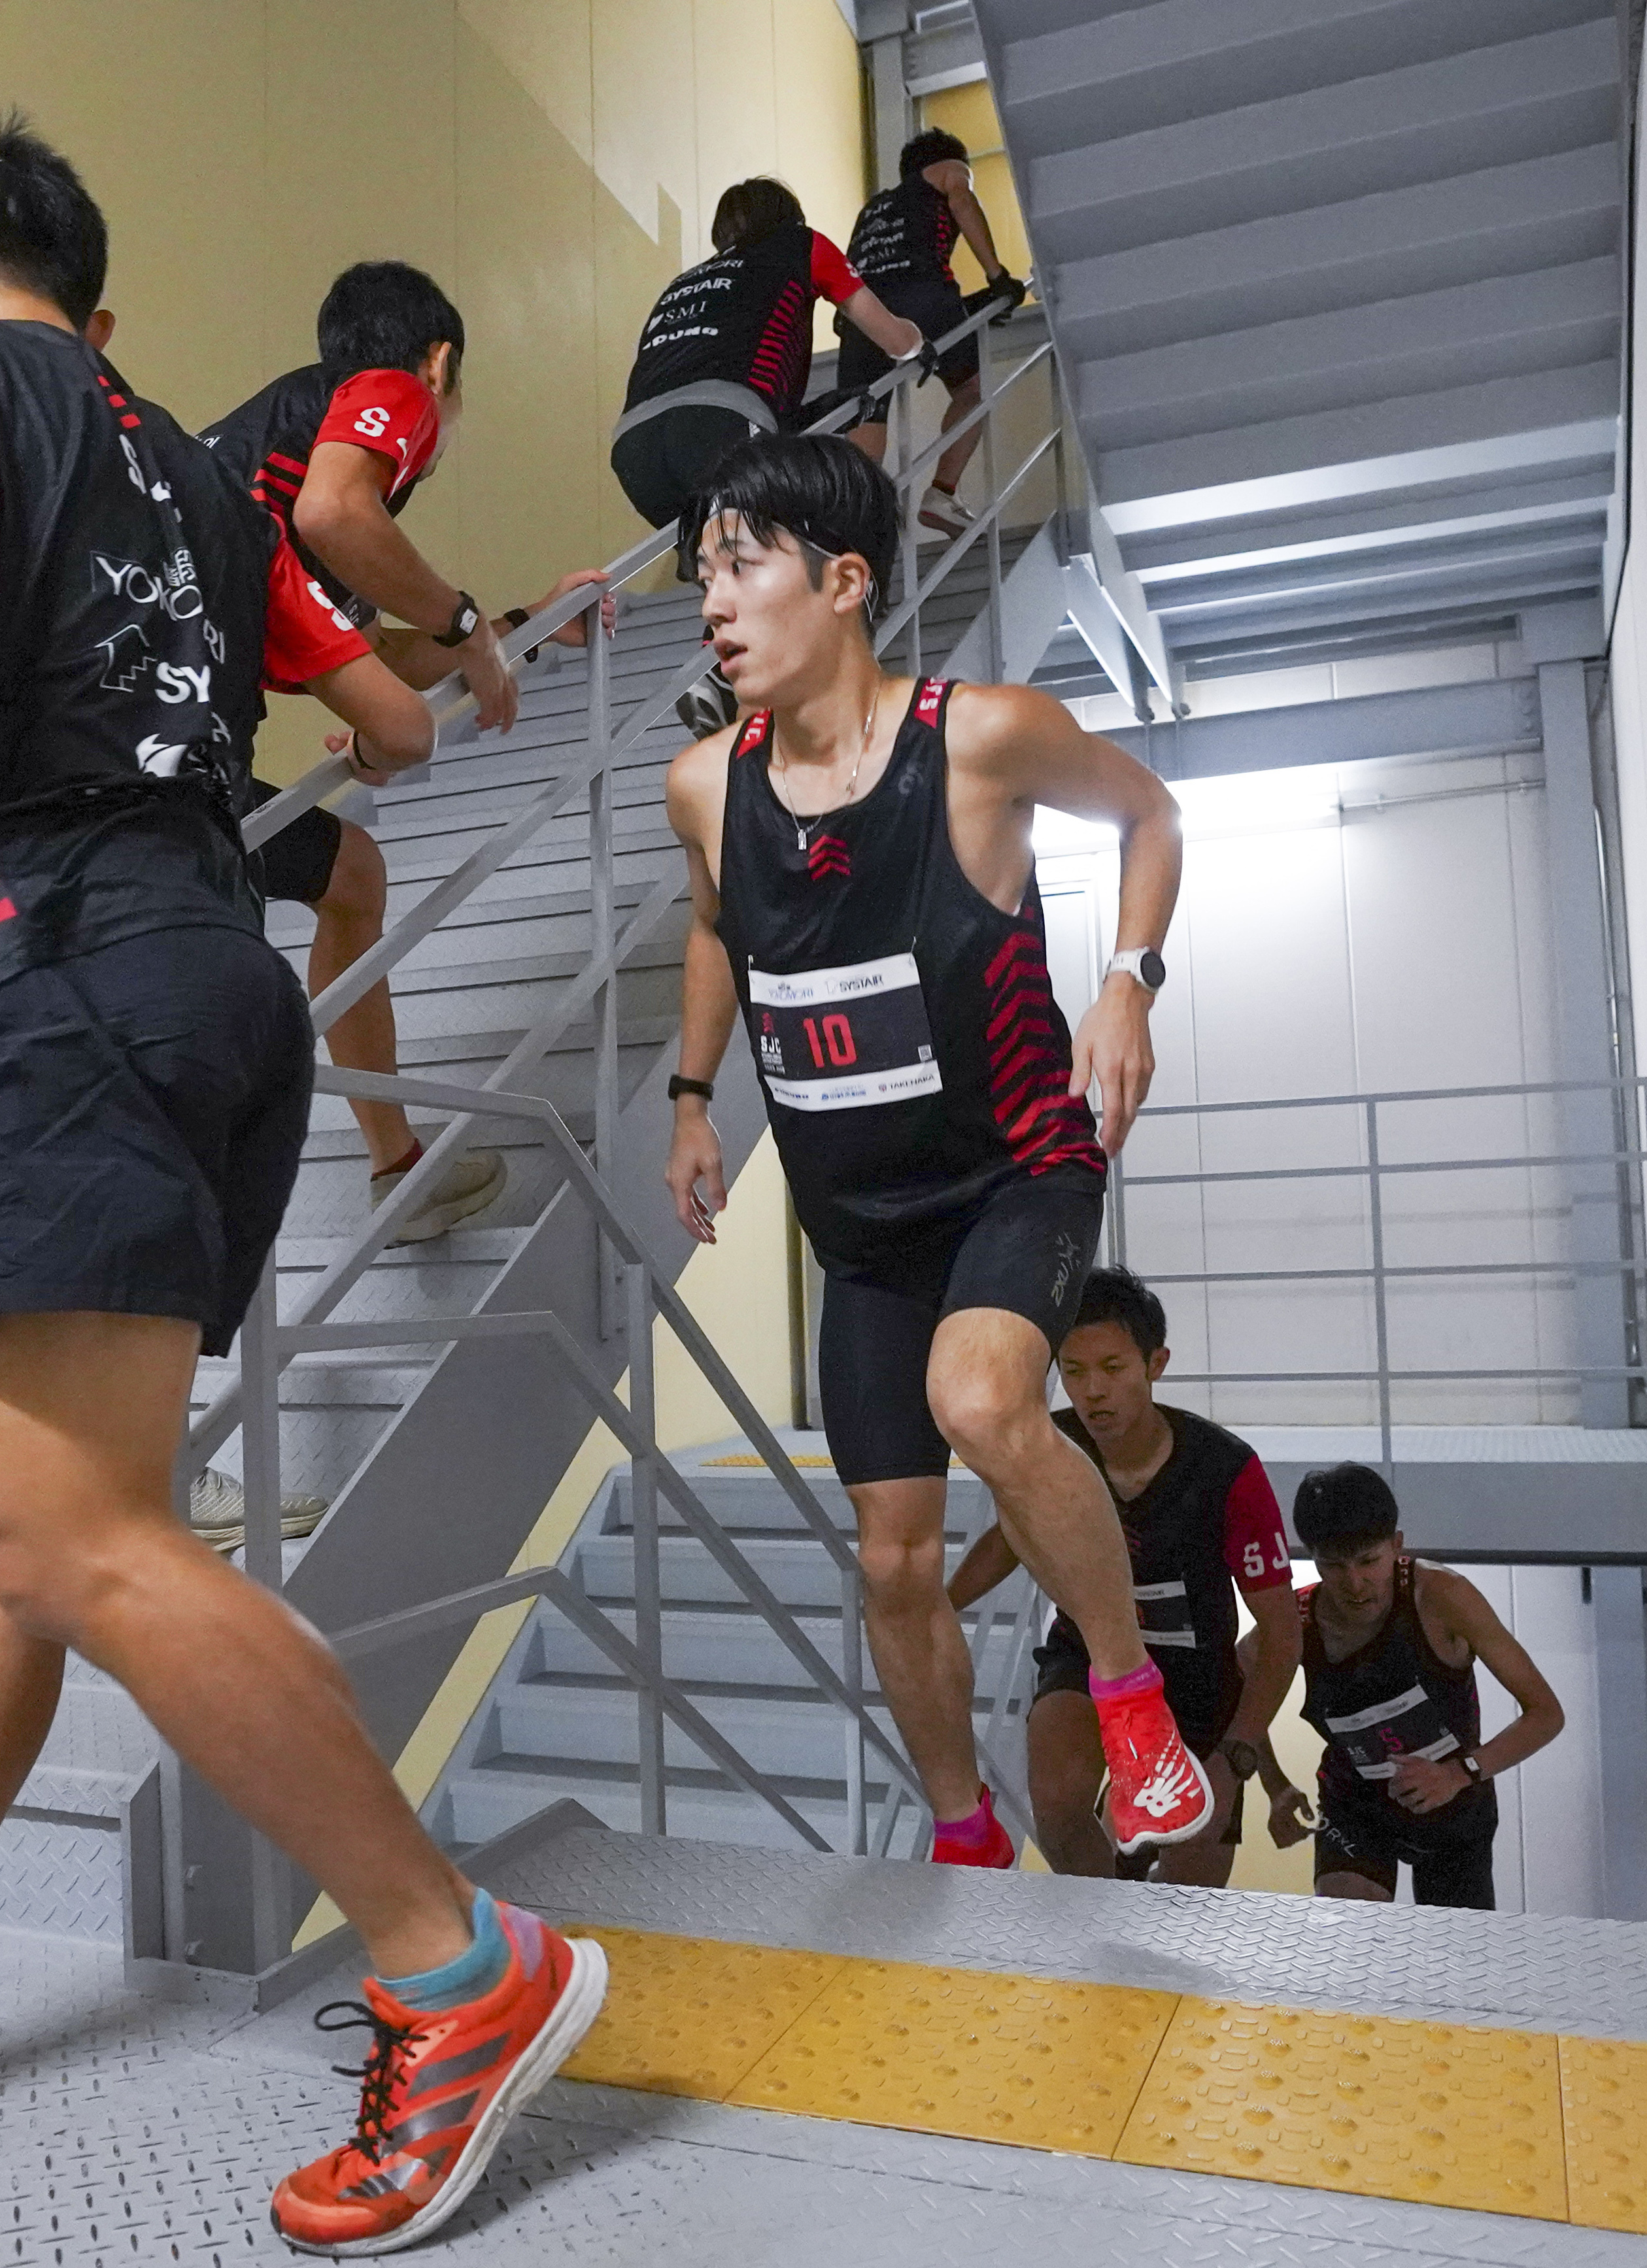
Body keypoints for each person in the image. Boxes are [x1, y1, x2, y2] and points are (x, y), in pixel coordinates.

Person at [0, 113, 603, 2257]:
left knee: (71, 1531)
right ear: (105, 313)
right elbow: (395, 722)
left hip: (56, 979)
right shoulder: (184, 459)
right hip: (223, 996)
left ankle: (458, 1969)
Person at [660, 430, 1210, 1871]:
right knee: (896, 1562)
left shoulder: (980, 736)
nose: (712, 603)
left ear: (844, 582)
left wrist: (1128, 978)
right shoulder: (705, 785)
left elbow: (1150, 810)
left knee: (981, 1399)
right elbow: (718, 926)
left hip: (1019, 1166)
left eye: (743, 567)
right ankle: (965, 1831)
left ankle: (1132, 1702)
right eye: (700, 575)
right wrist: (685, 1096)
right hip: (864, 1224)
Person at [203, 262, 608, 1245]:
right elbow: (338, 515)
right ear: (440, 361)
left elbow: (373, 650)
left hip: (157, 732)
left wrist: (519, 625)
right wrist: (468, 624)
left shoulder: (263, 478)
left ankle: (397, 1164)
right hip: (161, 746)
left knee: (351, 869)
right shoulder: (392, 397)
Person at [946, 1268, 1297, 1884]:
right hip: (1087, 1656)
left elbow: (1282, 1636)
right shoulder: (1051, 1442)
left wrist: (1237, 1757)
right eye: (1074, 1372)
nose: (1093, 1392)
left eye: (1113, 1368)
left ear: (1155, 1364)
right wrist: (935, 1604)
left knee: (1193, 1896)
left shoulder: (1228, 1470)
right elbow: (1010, 1539)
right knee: (1054, 1801)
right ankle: (1107, 1923)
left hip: (1198, 1684)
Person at [611, 177, 923, 733]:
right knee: (815, 527)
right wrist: (918, 341)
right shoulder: (800, 246)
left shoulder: (686, 281)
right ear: (790, 217)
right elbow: (891, 337)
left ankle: (741, 680)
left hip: (636, 452)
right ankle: (720, 667)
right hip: (720, 423)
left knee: (742, 548)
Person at [1249, 1462, 1568, 1910]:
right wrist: (1274, 1784)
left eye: (1369, 1562)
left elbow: (1546, 1714)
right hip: (1355, 1808)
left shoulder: (1442, 1597)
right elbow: (1236, 1692)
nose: (1355, 1585)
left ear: (1397, 1546)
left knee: (1458, 1962)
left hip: (1456, 1804)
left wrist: (1461, 1773)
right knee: (1352, 1939)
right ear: (1312, 1557)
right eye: (1334, 1566)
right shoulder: (1297, 1621)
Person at [840, 128, 1024, 533]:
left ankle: (862, 522)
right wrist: (998, 278)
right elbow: (962, 201)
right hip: (923, 295)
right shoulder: (948, 170)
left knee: (867, 413)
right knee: (971, 390)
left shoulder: (872, 208)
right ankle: (942, 493)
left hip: (863, 315)